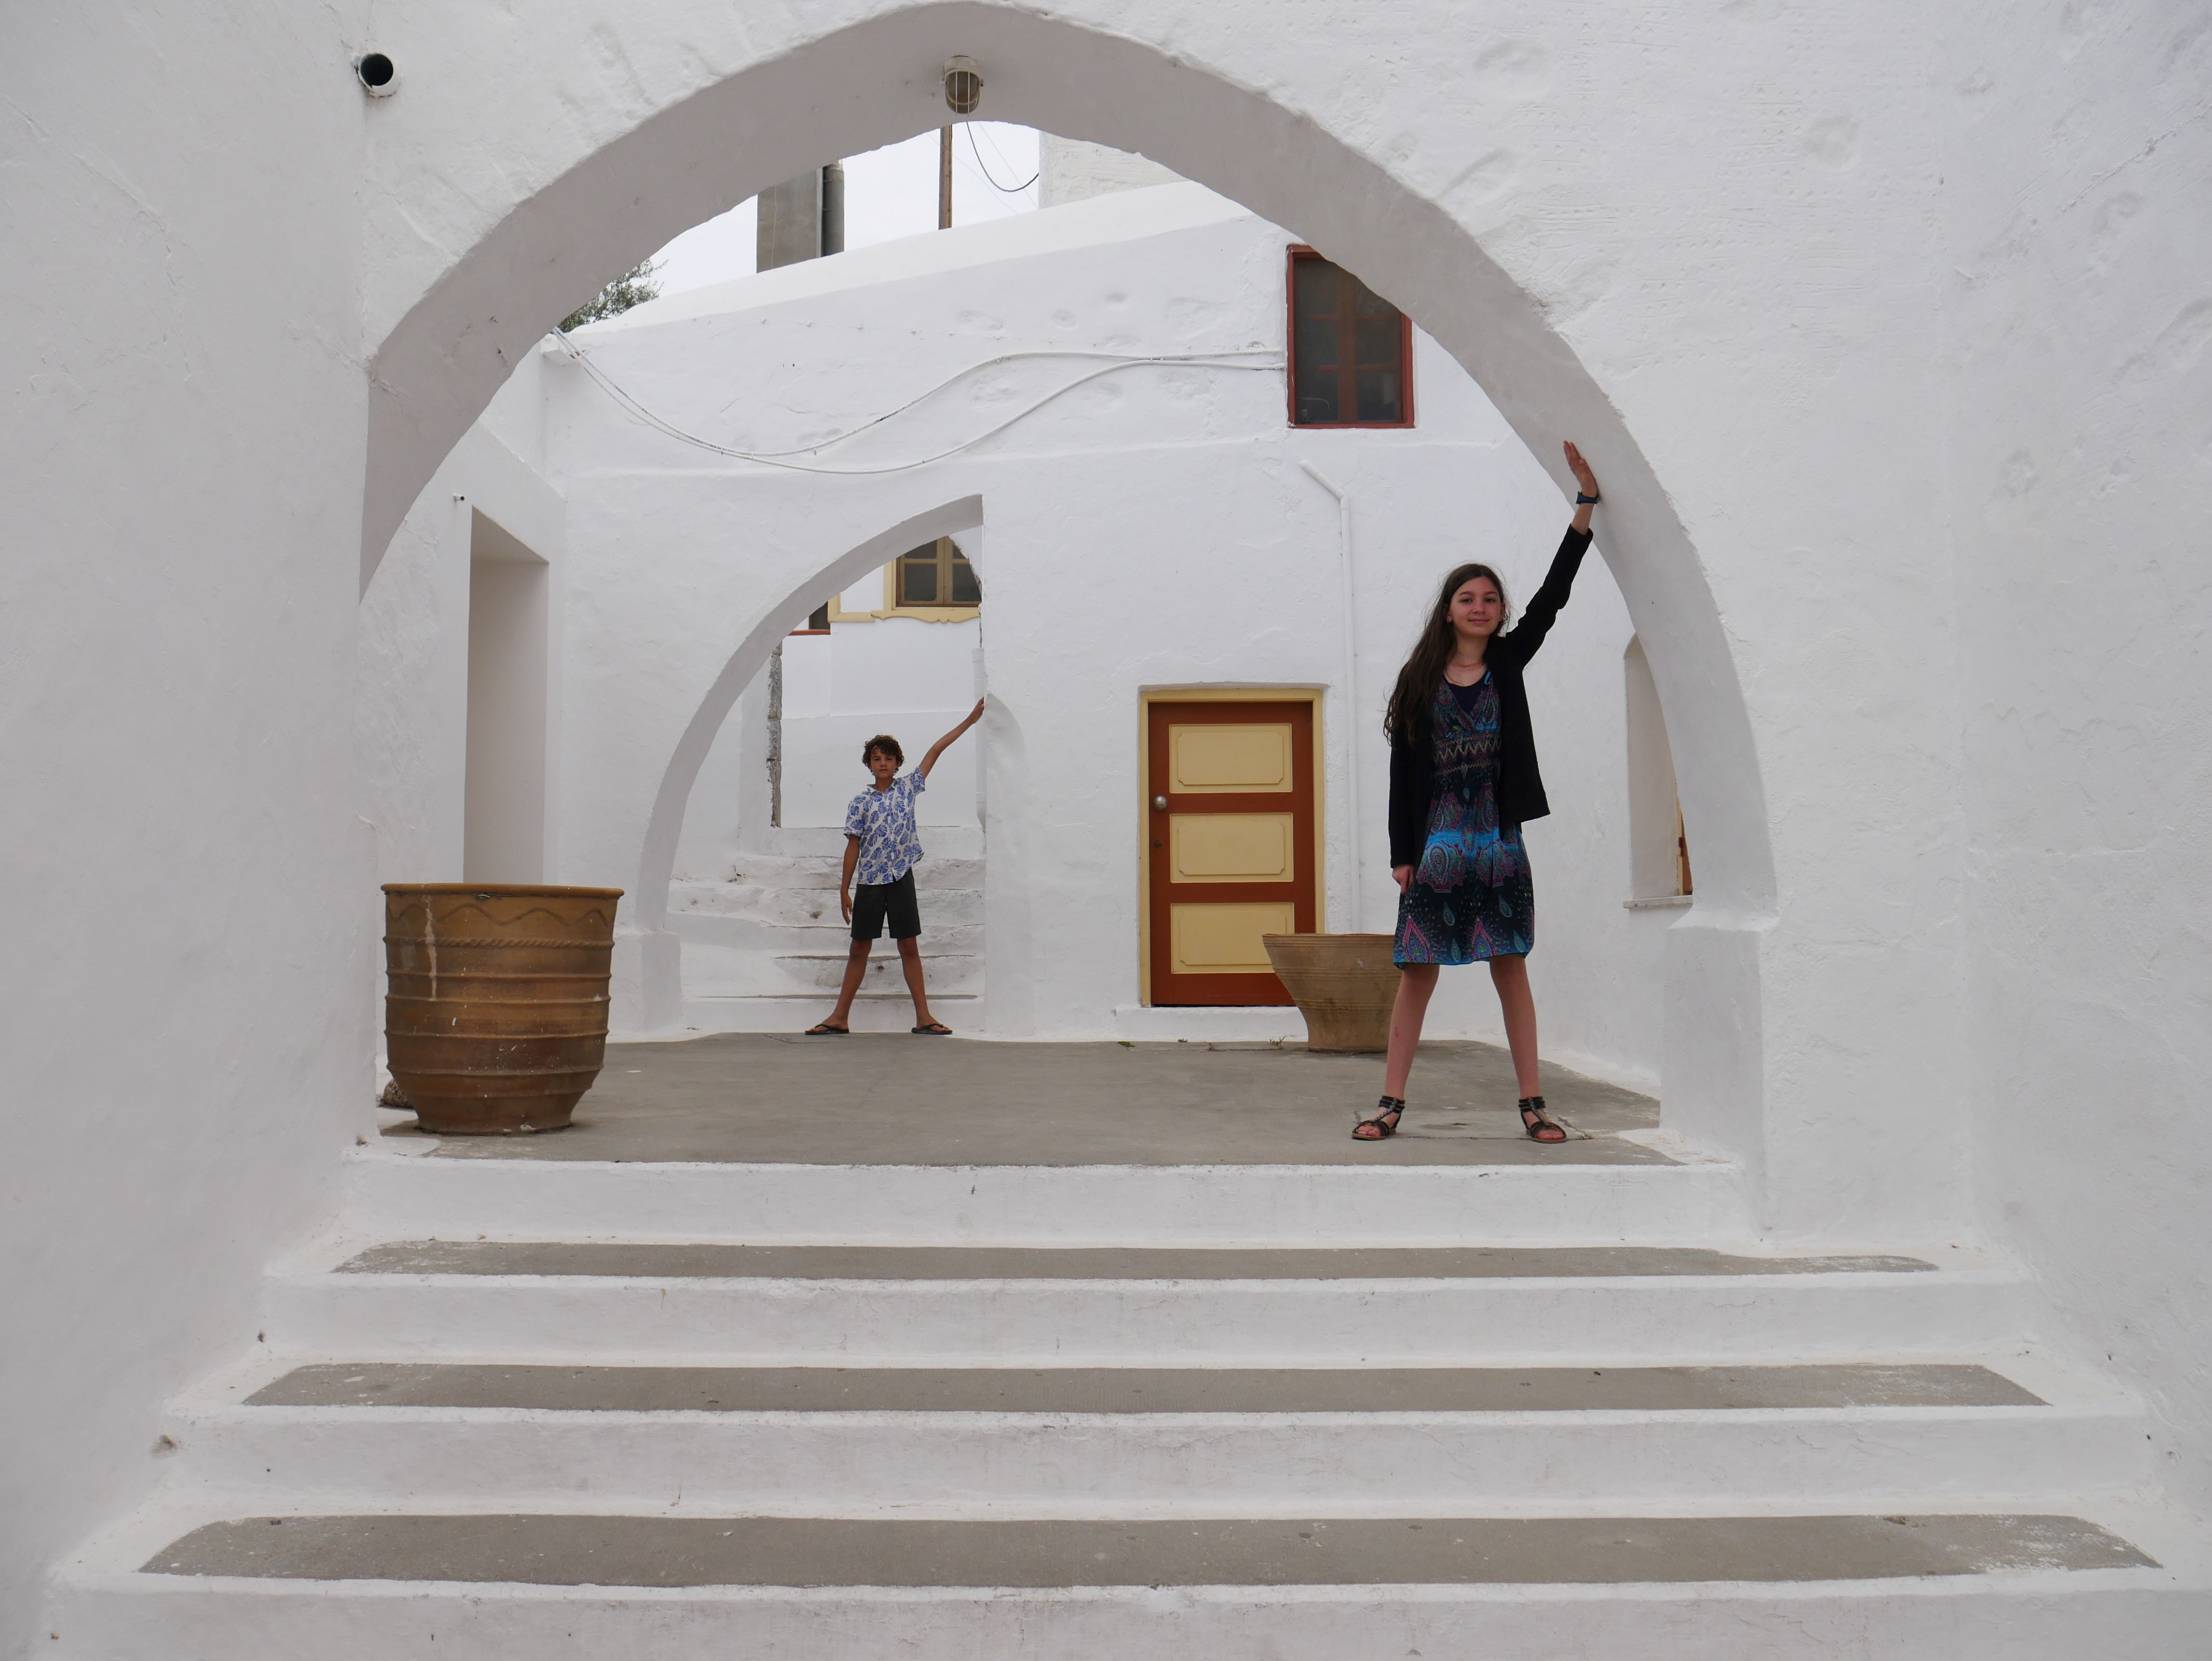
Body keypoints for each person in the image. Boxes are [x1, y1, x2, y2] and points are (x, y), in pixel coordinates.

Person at [1354, 442, 1602, 1143]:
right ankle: (1389, 1105)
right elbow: (1402, 772)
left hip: (1498, 841)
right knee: (1417, 974)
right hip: (1436, 845)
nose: (1481, 607)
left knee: (1510, 967)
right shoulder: (1418, 680)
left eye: (1491, 599)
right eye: (1468, 598)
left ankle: (1532, 1105)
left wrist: (1584, 508)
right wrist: (1403, 854)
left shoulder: (1509, 663)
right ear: (1448, 611)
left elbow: (1553, 598)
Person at [806, 699, 986, 1037]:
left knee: (908, 946)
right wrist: (844, 889)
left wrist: (970, 721)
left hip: (901, 877)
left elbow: (936, 750)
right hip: (870, 882)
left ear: (898, 763)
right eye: (877, 759)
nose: (883, 763)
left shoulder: (908, 788)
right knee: (859, 948)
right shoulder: (860, 802)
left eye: (889, 758)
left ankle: (924, 1017)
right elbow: (853, 845)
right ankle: (839, 1017)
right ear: (869, 765)